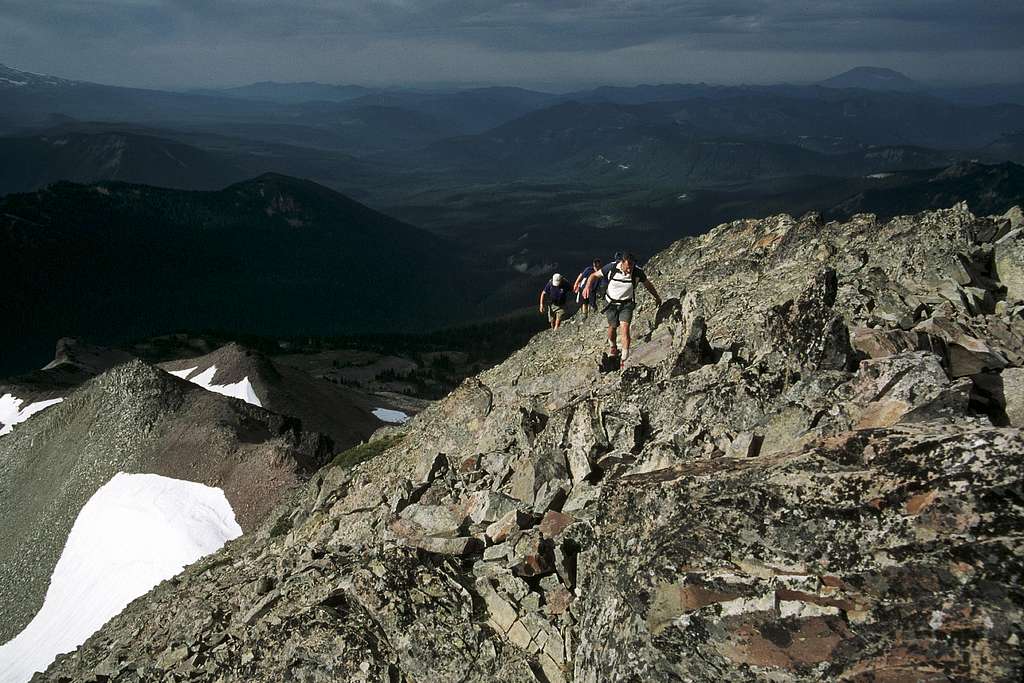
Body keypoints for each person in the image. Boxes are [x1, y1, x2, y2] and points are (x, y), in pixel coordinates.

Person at [582, 252, 662, 365]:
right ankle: (613, 346)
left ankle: (624, 360)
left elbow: (648, 285)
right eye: (628, 267)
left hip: (627, 305)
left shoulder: (637, 272)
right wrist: (587, 286)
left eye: (632, 266)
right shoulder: (612, 267)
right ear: (622, 262)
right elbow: (594, 275)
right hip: (611, 304)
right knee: (612, 327)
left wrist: (657, 297)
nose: (629, 270)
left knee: (625, 329)